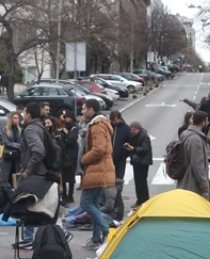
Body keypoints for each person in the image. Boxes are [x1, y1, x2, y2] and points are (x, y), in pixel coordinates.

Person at [77, 100, 115, 249]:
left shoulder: (97, 126)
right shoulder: (100, 123)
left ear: (91, 110)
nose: (81, 111)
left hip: (97, 168)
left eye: (84, 109)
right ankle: (96, 238)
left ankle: (106, 231)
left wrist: (84, 159)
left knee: (86, 203)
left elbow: (99, 148)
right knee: (94, 204)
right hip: (101, 168)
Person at [176, 111, 210, 197]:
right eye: (207, 121)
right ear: (203, 122)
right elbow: (197, 165)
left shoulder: (185, 133)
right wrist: (204, 185)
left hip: (184, 178)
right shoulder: (196, 139)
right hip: (192, 183)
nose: (208, 123)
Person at [120, 120, 152, 207]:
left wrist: (133, 149)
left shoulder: (144, 137)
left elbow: (144, 149)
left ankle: (143, 200)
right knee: (138, 182)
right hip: (137, 162)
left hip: (143, 163)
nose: (131, 131)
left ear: (137, 129)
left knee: (141, 183)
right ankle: (141, 200)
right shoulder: (135, 136)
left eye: (132, 129)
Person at [54, 109, 80, 204]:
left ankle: (70, 195)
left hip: (72, 154)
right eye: (65, 117)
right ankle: (64, 194)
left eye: (68, 117)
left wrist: (65, 133)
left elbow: (70, 140)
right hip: (64, 154)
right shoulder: (64, 127)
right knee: (64, 176)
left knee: (71, 175)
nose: (66, 119)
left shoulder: (74, 128)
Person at [0, 112, 23, 187]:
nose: (17, 120)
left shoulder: (20, 130)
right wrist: (18, 146)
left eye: (18, 118)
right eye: (15, 118)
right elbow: (6, 143)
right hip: (8, 155)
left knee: (17, 176)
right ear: (11, 119)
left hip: (17, 157)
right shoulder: (5, 130)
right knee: (5, 177)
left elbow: (22, 141)